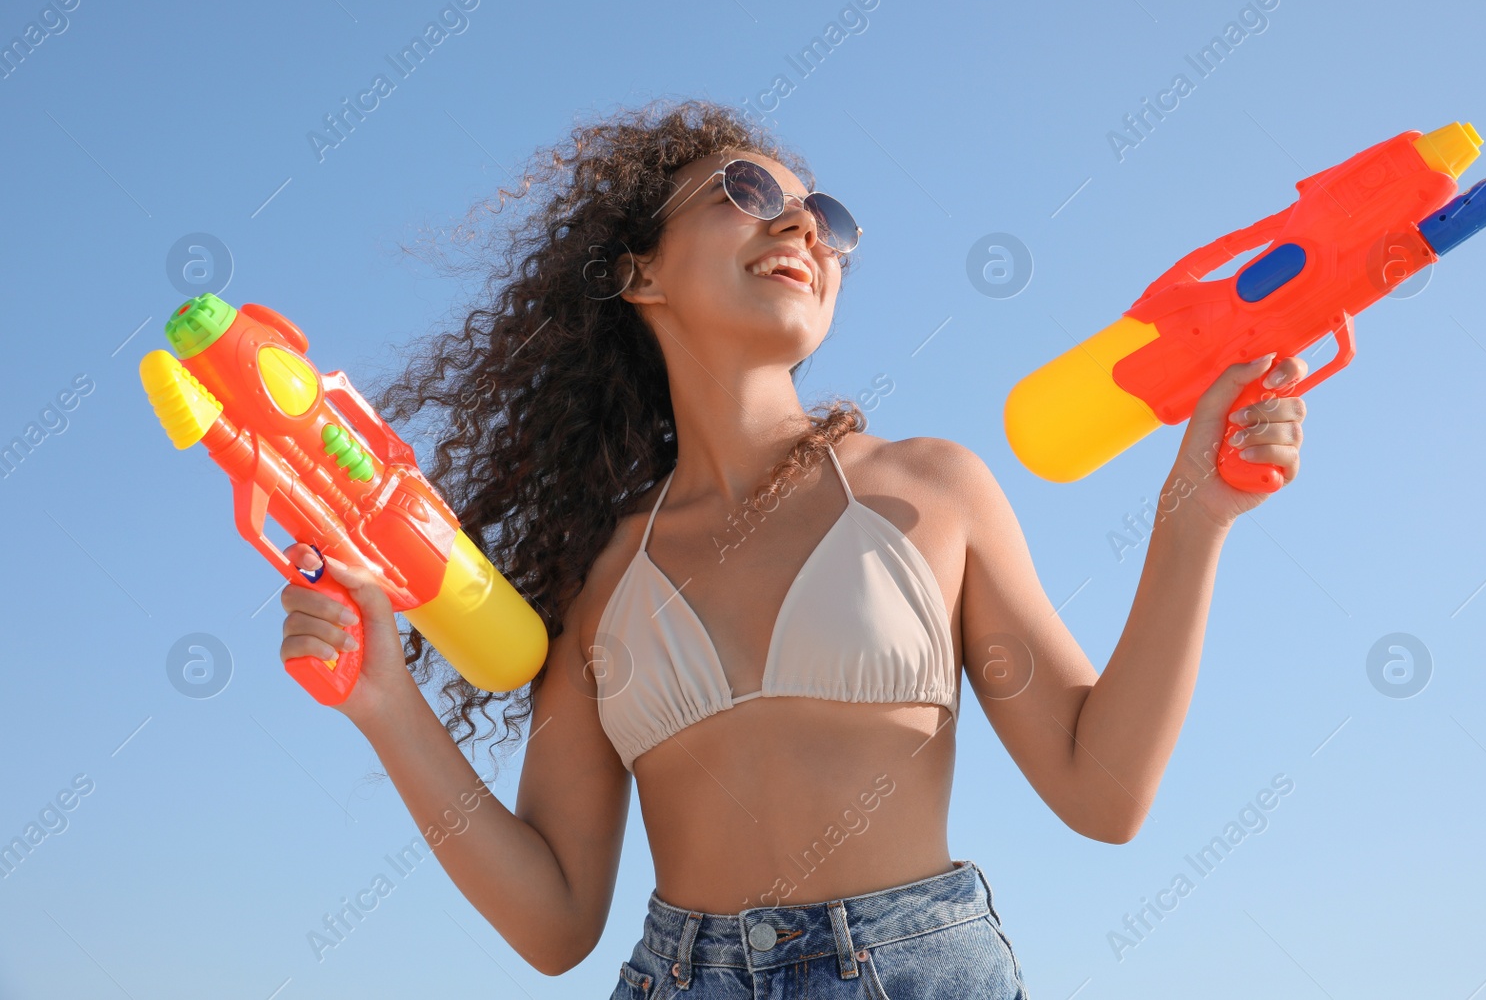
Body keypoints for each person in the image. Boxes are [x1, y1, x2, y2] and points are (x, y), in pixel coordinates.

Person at [276, 98, 1308, 998]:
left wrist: (1193, 515)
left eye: (828, 217)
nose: (803, 225)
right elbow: (555, 923)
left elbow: (1103, 792)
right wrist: (385, 699)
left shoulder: (930, 489)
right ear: (640, 272)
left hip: (913, 972)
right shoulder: (600, 580)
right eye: (744, 190)